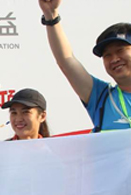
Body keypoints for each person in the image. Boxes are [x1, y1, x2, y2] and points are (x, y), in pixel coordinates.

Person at [39, 0, 131, 132]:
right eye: (107, 55)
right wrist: (51, 16)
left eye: (120, 50)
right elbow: (66, 61)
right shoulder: (101, 96)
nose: (114, 59)